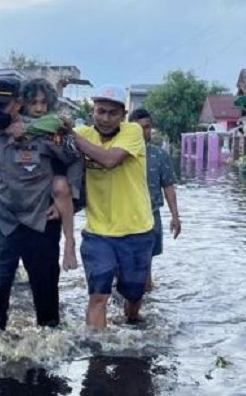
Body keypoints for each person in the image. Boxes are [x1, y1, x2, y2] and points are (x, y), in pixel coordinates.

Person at [0, 76, 83, 330]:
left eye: (2, 106)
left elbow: (75, 160)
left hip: (41, 222)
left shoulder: (45, 135)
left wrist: (68, 199)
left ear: (18, 104)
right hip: (4, 222)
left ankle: (49, 353)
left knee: (45, 295)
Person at [68, 84, 154, 330]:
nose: (105, 118)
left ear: (123, 115)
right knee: (98, 296)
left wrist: (72, 136)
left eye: (112, 113)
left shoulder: (133, 132)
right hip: (98, 232)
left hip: (136, 230)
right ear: (93, 111)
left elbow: (109, 160)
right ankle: (98, 354)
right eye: (100, 111)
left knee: (134, 292)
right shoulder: (83, 133)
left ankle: (132, 318)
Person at [128, 108, 181, 292]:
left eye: (148, 127)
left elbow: (168, 187)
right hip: (124, 216)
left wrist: (175, 216)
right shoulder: (119, 154)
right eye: (139, 128)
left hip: (151, 217)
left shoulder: (159, 156)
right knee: (121, 266)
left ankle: (145, 306)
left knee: (146, 266)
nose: (145, 132)